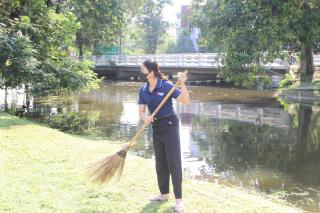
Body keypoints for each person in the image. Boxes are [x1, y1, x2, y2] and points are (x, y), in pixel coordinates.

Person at [138, 59, 190, 213]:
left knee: (174, 163)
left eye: (142, 70)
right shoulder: (143, 90)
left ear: (151, 71)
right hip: (156, 127)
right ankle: (164, 194)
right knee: (160, 163)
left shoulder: (166, 85)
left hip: (170, 125)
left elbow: (186, 101)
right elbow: (141, 111)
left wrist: (182, 84)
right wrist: (145, 118)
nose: (141, 73)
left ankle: (179, 201)